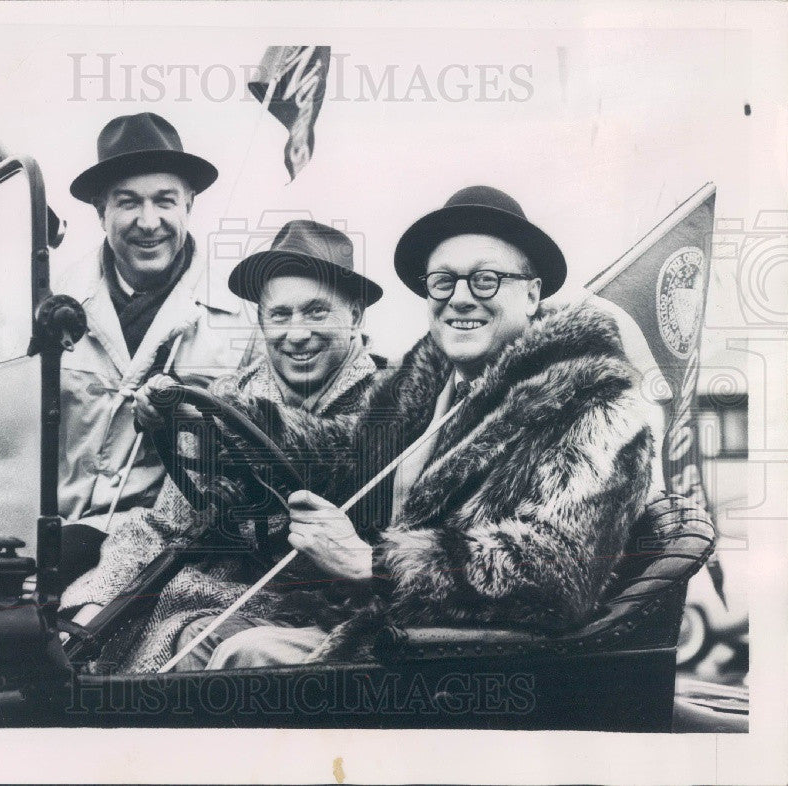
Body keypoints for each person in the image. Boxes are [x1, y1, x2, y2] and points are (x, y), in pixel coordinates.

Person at [184, 185, 656, 669]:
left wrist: (374, 565)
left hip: (468, 661)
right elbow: (346, 455)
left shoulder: (592, 402)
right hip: (380, 625)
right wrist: (222, 421)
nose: (462, 299)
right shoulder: (423, 387)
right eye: (443, 282)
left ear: (532, 294)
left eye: (487, 280)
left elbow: (557, 570)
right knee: (198, 638)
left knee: (247, 656)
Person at [59, 221, 386, 673]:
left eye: (317, 312)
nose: (296, 334)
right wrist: (92, 612)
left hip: (319, 617)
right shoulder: (229, 395)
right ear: (259, 320)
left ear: (355, 316)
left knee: (190, 641)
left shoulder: (393, 405)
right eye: (279, 314)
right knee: (65, 635)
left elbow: (385, 561)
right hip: (212, 592)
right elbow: (165, 525)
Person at [53, 112, 251, 590]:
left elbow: (250, 458)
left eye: (165, 201)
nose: (149, 222)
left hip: (170, 552)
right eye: (128, 203)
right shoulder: (51, 306)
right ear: (100, 211)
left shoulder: (240, 323)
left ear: (190, 206)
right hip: (53, 538)